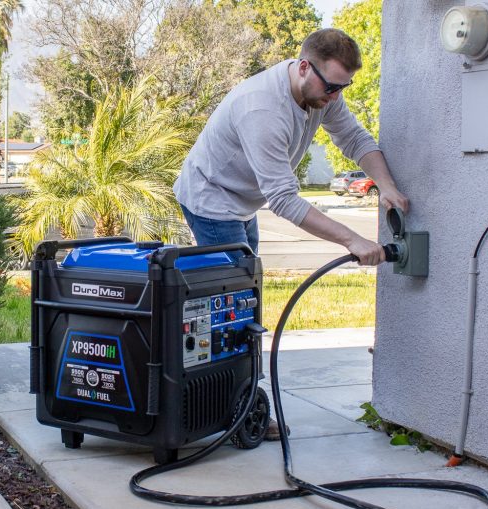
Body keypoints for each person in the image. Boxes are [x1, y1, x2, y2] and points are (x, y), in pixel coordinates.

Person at [173, 28, 409, 439]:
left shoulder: (321, 91)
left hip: (242, 202)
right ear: (303, 67)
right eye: (331, 86)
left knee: (242, 305)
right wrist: (351, 239)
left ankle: (234, 403)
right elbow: (284, 200)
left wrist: (385, 185)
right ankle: (228, 411)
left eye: (343, 87)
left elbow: (354, 138)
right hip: (211, 199)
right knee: (232, 309)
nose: (335, 96)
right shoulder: (262, 110)